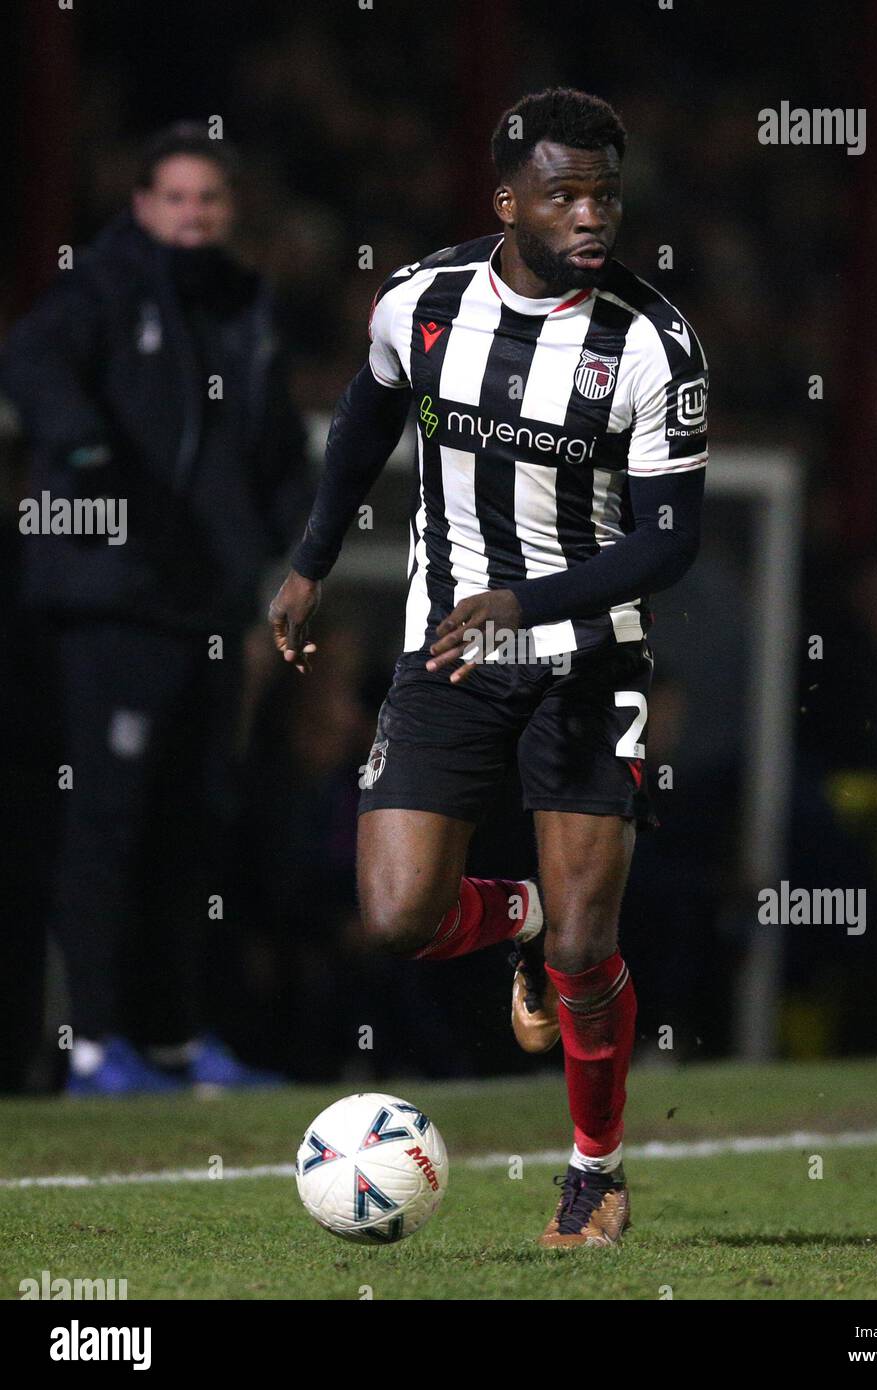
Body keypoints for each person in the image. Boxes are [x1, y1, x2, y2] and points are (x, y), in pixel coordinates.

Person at [269, 89, 707, 1245]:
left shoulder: (652, 343)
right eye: (563, 193)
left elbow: (670, 539)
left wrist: (527, 600)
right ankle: (510, 913)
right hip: (448, 650)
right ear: (506, 198)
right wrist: (312, 561)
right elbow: (366, 417)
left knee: (586, 945)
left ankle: (594, 1171)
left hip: (585, 657)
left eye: (606, 192)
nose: (590, 214)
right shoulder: (422, 304)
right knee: (397, 912)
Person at [4, 122, 312, 1094]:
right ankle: (92, 1044)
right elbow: (32, 366)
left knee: (191, 824)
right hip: (115, 602)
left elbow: (272, 441)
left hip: (206, 603)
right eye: (175, 197)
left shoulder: (244, 305)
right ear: (141, 205)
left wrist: (292, 530)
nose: (193, 215)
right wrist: (86, 453)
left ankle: (173, 1039)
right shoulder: (102, 288)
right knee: (106, 821)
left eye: (208, 199)